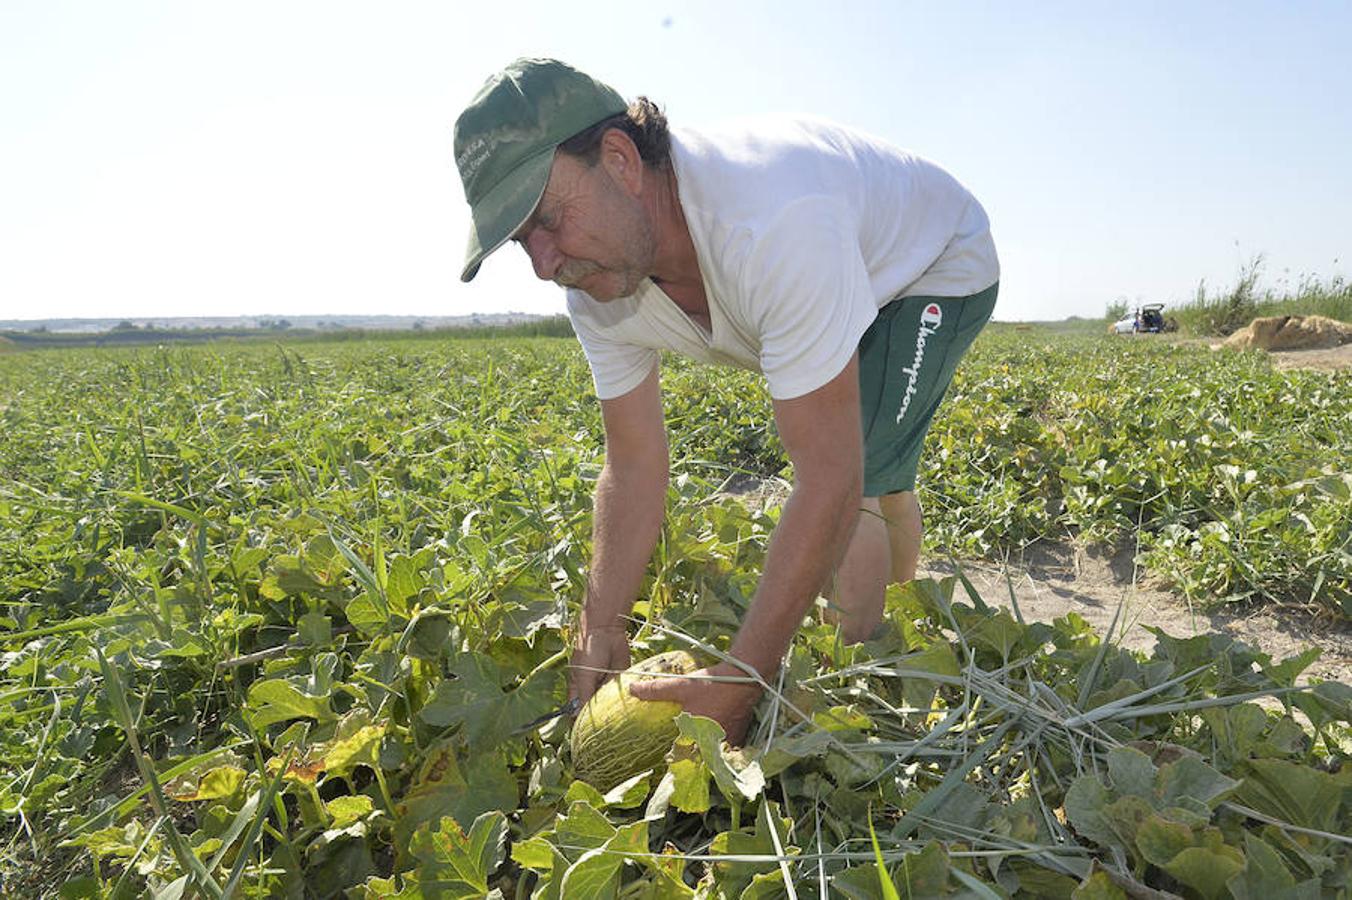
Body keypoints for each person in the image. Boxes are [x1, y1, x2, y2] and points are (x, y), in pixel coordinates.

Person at [454, 58, 998, 744]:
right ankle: (900, 624)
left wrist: (741, 679)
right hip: (838, 263)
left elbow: (830, 481)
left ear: (619, 160)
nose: (542, 263)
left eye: (548, 220)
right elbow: (633, 466)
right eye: (520, 242)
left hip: (933, 265)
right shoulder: (594, 282)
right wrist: (601, 624)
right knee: (874, 458)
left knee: (865, 477)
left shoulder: (772, 221)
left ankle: (861, 697)